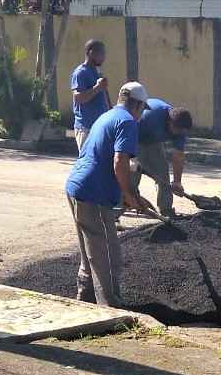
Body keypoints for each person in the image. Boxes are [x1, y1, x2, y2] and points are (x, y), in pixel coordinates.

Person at [65, 81, 155, 306]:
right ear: (136, 105)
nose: (142, 113)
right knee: (108, 253)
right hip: (93, 193)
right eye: (142, 108)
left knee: (90, 252)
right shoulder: (127, 122)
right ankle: (111, 306)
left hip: (76, 188)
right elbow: (119, 161)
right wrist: (127, 194)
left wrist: (132, 194)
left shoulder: (107, 116)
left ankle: (85, 297)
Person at [132, 99, 193, 217]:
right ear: (170, 122)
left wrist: (177, 181)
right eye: (178, 130)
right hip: (133, 137)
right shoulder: (151, 116)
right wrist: (132, 159)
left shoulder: (180, 128)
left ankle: (166, 209)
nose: (180, 133)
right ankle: (115, 211)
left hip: (153, 142)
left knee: (162, 173)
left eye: (182, 131)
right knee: (131, 177)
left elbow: (178, 155)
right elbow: (129, 133)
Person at [70, 39, 111, 151]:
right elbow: (78, 98)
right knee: (87, 162)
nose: (104, 57)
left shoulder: (97, 72)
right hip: (86, 128)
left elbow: (104, 98)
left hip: (100, 127)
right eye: (101, 53)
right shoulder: (80, 73)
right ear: (91, 53)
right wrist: (97, 87)